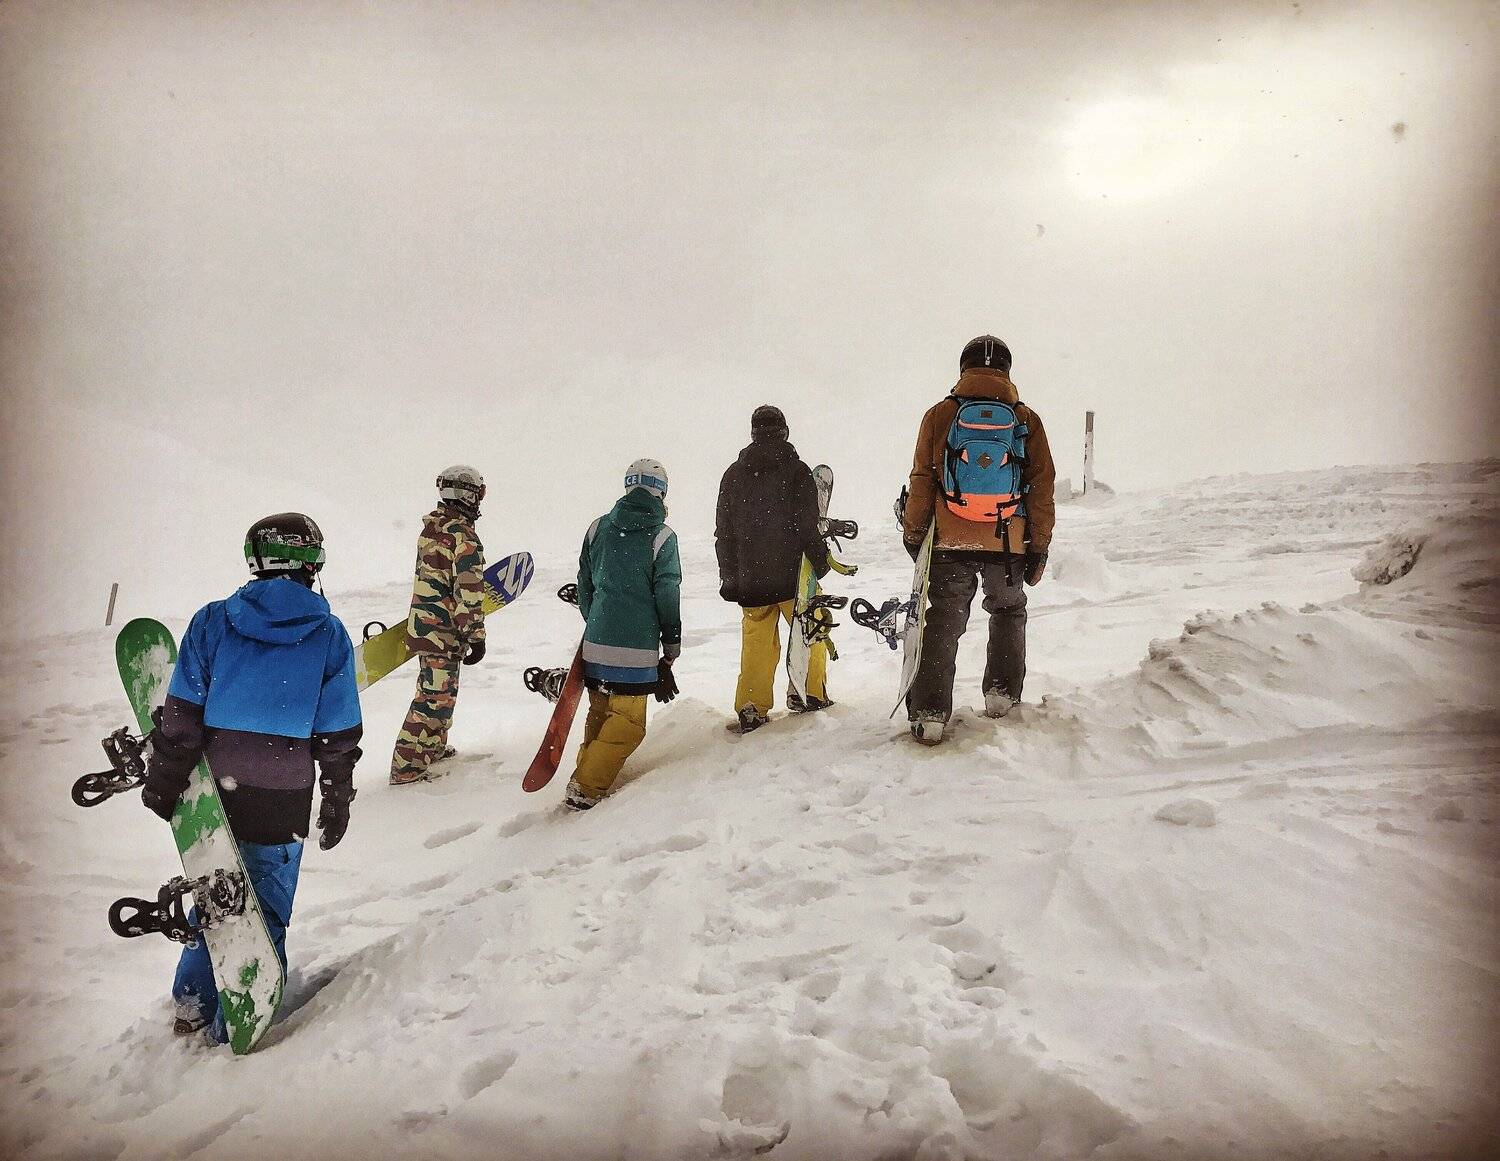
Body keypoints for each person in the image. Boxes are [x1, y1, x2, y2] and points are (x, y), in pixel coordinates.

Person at [138, 512, 362, 1043]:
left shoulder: (212, 622)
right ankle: (245, 1010)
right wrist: (337, 796)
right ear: (312, 562)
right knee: (265, 909)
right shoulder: (328, 635)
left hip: (218, 791)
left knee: (215, 894)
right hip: (283, 795)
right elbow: (337, 732)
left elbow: (182, 717)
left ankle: (193, 1001)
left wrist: (166, 779)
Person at [900, 336, 1056, 744]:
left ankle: (930, 713)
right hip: (1007, 542)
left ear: (963, 368)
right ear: (1007, 370)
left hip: (950, 539)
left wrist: (914, 533)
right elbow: (1041, 487)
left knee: (944, 620)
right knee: (1007, 610)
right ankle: (1001, 694)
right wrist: (1038, 545)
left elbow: (922, 479)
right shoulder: (1026, 418)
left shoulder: (940, 415)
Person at [563, 459, 682, 811]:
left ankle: (583, 775)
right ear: (661, 492)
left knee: (600, 715)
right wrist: (671, 644)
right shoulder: (663, 537)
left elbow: (585, 583)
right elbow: (667, 592)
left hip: (596, 643)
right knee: (629, 724)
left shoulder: (597, 528)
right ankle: (587, 785)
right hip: (636, 649)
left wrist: (597, 621)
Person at [715, 404, 831, 733]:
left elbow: (724, 531)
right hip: (793, 575)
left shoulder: (733, 475)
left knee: (757, 644)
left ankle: (752, 706)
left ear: (753, 434)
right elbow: (807, 524)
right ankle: (809, 692)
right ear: (784, 432)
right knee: (810, 628)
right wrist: (820, 559)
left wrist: (729, 574)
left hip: (752, 578)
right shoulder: (797, 471)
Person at [389, 465, 487, 785]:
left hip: (426, 627)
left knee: (439, 694)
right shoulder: (463, 537)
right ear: (467, 495)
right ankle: (407, 767)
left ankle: (431, 749)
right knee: (433, 702)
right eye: (478, 494)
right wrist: (476, 635)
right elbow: (468, 591)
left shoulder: (432, 530)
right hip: (444, 631)